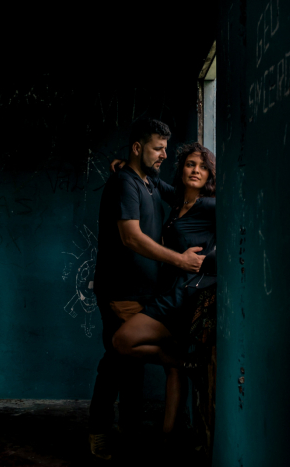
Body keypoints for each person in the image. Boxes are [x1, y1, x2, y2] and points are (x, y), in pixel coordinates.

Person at [89, 119, 205, 460]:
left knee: (131, 363)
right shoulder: (125, 183)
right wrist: (180, 261)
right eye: (158, 148)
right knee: (116, 358)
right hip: (120, 290)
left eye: (166, 149)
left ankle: (129, 428)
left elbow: (183, 196)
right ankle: (98, 430)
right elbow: (130, 237)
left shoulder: (149, 181)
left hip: (146, 292)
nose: (165, 155)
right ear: (138, 147)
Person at [112, 142, 217, 444]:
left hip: (184, 298)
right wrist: (128, 165)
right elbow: (156, 182)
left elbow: (241, 235)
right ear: (181, 169)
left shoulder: (210, 205)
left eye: (202, 166)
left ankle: (180, 361)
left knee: (123, 341)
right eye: (189, 164)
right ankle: (168, 439)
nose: (195, 170)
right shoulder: (178, 200)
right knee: (172, 368)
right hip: (170, 291)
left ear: (210, 173)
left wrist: (205, 263)